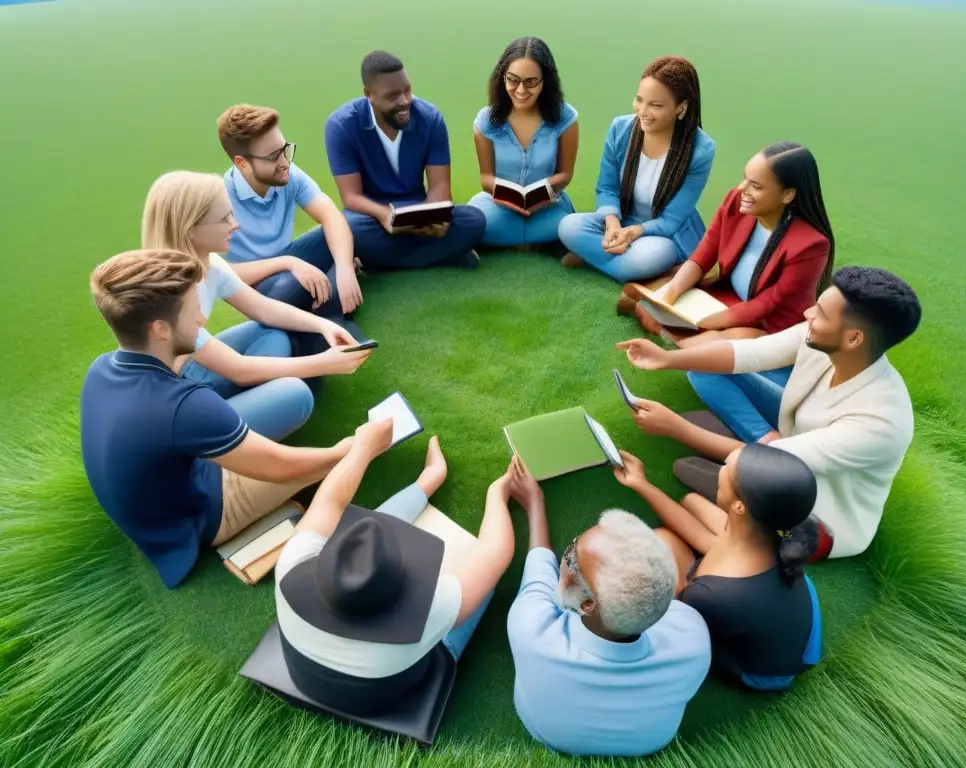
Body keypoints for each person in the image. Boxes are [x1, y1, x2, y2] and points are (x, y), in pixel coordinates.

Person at [80, 249, 389, 589]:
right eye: (193, 308)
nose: (202, 317)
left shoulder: (101, 369)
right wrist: (357, 448)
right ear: (160, 330)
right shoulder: (183, 406)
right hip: (199, 519)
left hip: (159, 510)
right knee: (335, 460)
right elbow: (285, 466)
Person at [617, 266, 922, 560]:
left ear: (854, 338)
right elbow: (754, 353)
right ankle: (746, 451)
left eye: (821, 314)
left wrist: (675, 429)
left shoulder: (881, 422)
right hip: (794, 439)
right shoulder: (824, 339)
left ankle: (737, 489)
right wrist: (667, 358)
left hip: (817, 515)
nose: (808, 315)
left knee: (691, 471)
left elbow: (779, 461)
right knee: (702, 382)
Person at [275, 440, 518, 715]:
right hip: (388, 693)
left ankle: (426, 482)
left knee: (367, 538)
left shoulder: (291, 562)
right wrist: (496, 493)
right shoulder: (431, 610)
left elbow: (329, 501)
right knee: (486, 582)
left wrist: (367, 447)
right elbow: (496, 550)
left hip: (305, 677)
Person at [505, 458, 710, 757]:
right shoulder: (692, 637)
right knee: (667, 539)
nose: (568, 555)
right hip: (649, 742)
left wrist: (534, 502)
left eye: (572, 556)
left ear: (587, 604)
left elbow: (538, 565)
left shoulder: (531, 627)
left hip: (547, 733)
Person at [142, 171, 371, 422]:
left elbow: (264, 309)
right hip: (178, 398)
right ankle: (221, 427)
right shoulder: (171, 296)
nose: (235, 224)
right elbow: (238, 370)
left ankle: (252, 402)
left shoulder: (209, 263)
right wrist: (324, 363)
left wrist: (323, 325)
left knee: (271, 335)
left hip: (196, 366)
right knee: (297, 395)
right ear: (191, 229)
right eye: (224, 218)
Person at [614, 446, 823, 691]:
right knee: (686, 507)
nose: (720, 469)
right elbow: (710, 543)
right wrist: (641, 484)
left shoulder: (712, 593)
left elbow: (680, 632)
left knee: (660, 548)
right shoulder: (777, 532)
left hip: (760, 671)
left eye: (726, 468)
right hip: (788, 631)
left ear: (739, 507)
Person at [620, 142, 835, 346]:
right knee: (650, 296)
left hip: (766, 322)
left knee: (724, 341)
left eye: (756, 186)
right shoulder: (735, 202)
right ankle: (674, 333)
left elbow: (766, 305)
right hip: (724, 298)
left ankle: (676, 340)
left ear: (787, 195)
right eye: (745, 179)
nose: (742, 188)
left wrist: (700, 321)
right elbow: (704, 254)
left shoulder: (811, 245)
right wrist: (670, 296)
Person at [557, 56, 715, 282]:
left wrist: (633, 233)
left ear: (681, 107)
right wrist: (613, 224)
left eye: (656, 105)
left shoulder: (701, 150)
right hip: (622, 221)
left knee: (650, 257)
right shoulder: (620, 129)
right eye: (639, 100)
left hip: (664, 235)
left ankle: (595, 260)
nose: (643, 111)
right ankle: (629, 268)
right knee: (568, 226)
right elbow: (607, 188)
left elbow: (672, 220)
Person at [325, 50, 486, 270]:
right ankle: (446, 254)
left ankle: (380, 264)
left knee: (474, 220)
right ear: (369, 94)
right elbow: (351, 197)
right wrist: (384, 215)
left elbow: (439, 186)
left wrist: (434, 215)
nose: (404, 101)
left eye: (407, 91)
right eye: (392, 96)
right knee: (349, 229)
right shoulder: (341, 126)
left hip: (418, 211)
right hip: (372, 217)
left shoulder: (430, 119)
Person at [218, 104, 363, 317]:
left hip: (292, 262)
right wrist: (289, 263)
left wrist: (344, 269)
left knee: (352, 223)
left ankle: (331, 288)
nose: (284, 162)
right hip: (261, 287)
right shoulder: (219, 198)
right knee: (286, 292)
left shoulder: (288, 174)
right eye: (272, 157)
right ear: (242, 163)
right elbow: (216, 272)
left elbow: (330, 215)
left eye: (284, 150)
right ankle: (327, 299)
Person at [468, 37, 579, 250]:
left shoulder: (566, 118)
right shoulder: (485, 121)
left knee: (570, 226)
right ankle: (535, 242)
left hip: (549, 207)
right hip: (498, 206)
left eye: (530, 82)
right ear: (503, 78)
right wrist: (509, 196)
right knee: (472, 222)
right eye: (512, 80)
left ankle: (511, 241)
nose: (520, 90)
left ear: (545, 81)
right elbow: (486, 178)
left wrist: (541, 195)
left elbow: (565, 174)